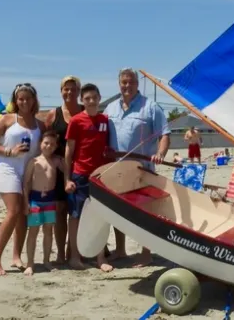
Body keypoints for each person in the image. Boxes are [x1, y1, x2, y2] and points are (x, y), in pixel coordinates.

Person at [105, 67, 171, 266]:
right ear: (119, 84)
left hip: (143, 170)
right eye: (124, 82)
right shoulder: (110, 108)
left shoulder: (150, 107)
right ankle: (121, 249)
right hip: (117, 169)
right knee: (118, 212)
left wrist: (160, 154)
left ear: (137, 83)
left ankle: (146, 252)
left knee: (145, 212)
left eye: (131, 82)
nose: (127, 86)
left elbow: (165, 135)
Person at [0, 83, 44, 276]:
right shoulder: (8, 119)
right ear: (15, 101)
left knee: (23, 214)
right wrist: (10, 151)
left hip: (26, 172)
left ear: (34, 100)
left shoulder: (40, 124)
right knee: (13, 211)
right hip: (7, 167)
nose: (24, 101)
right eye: (20, 98)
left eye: (28, 98)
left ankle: (16, 255)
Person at [65, 83, 112, 272]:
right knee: (75, 216)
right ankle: (74, 256)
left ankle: (101, 257)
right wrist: (67, 179)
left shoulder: (105, 120)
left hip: (100, 176)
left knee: (101, 215)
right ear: (82, 101)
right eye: (87, 98)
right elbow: (69, 151)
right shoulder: (76, 121)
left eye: (94, 97)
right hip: (80, 175)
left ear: (99, 98)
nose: (91, 101)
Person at [44, 75, 83, 264]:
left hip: (82, 169)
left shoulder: (85, 112)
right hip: (59, 170)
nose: (69, 92)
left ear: (79, 91)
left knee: (79, 211)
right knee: (60, 211)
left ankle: (74, 249)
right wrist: (52, 160)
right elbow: (46, 143)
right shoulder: (53, 115)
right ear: (61, 91)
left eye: (73, 88)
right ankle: (60, 253)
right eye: (66, 89)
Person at [23, 130, 61, 276]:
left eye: (52, 144)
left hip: (50, 201)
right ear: (40, 144)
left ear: (56, 146)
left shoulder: (56, 161)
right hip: (35, 201)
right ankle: (30, 263)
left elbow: (68, 168)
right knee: (33, 232)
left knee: (48, 232)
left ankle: (46, 261)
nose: (49, 146)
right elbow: (26, 183)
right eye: (46, 143)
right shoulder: (34, 161)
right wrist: (26, 202)